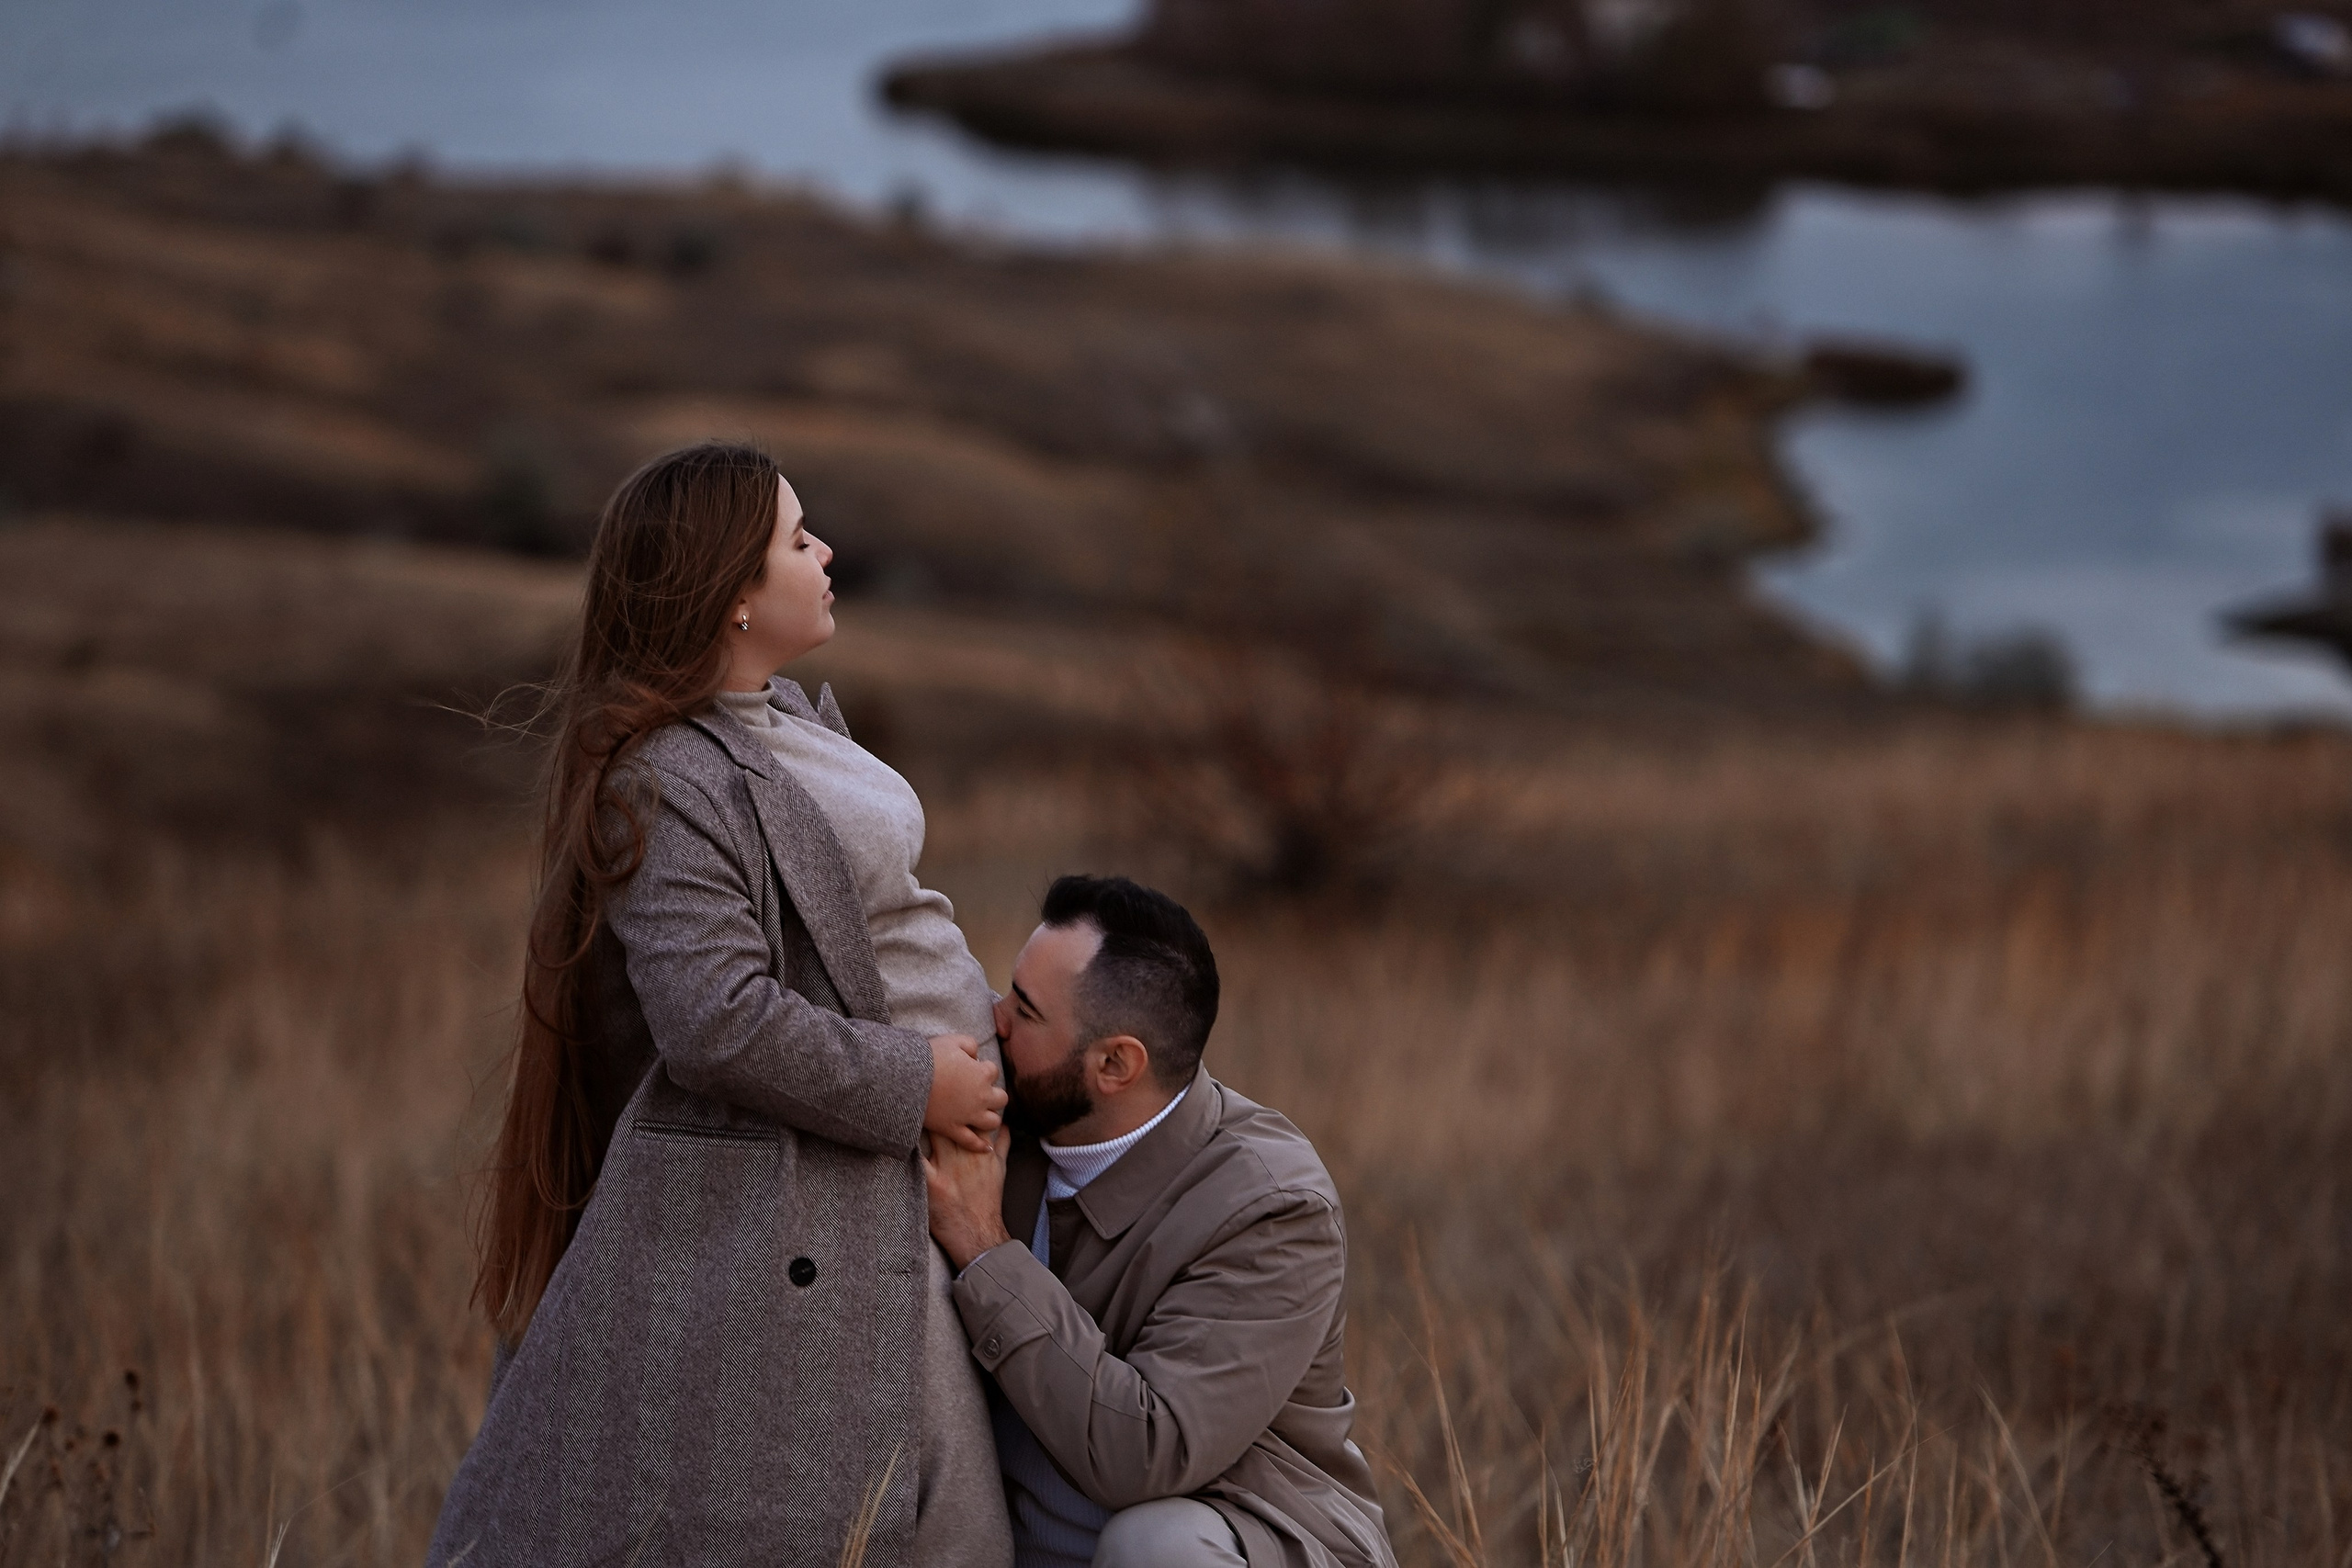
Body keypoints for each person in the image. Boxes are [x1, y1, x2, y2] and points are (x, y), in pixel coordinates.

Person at [430, 443, 1014, 1568]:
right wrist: (922, 1081)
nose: (826, 550)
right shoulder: (665, 778)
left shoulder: (785, 727)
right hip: (827, 1208)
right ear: (733, 595)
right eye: (798, 539)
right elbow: (718, 1023)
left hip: (913, 1178)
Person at [925, 876, 1398, 1568]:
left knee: (1158, 1547)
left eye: (1024, 1011)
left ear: (1115, 1063)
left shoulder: (1272, 1206)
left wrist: (985, 1247)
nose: (991, 1020)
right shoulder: (1006, 1129)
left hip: (1242, 1535)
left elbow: (1146, 1452)